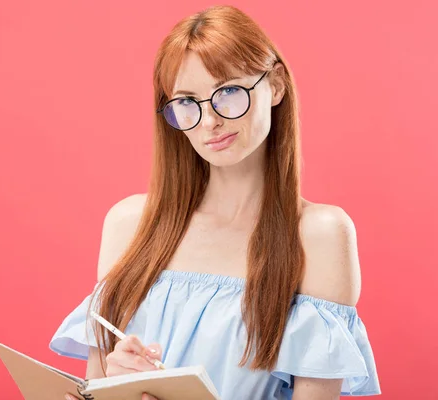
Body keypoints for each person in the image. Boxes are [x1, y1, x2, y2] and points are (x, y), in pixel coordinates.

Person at [50, 4, 381, 400]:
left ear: (275, 85)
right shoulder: (129, 224)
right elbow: (99, 384)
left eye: (228, 92)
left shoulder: (320, 235)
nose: (210, 121)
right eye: (188, 101)